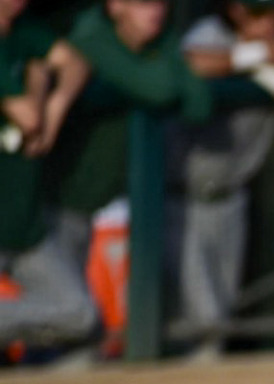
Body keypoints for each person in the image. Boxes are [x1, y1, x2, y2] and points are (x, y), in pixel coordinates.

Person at [42, 0, 209, 360]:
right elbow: (162, 89)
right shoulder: (91, 36)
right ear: (116, 6)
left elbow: (199, 101)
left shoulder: (160, 40)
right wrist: (168, 70)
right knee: (67, 312)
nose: (157, 11)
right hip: (66, 196)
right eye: (143, 3)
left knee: (106, 317)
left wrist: (165, 68)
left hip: (124, 199)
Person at [175, 0, 274, 361]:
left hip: (230, 197)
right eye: (261, 13)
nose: (272, 23)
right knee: (202, 320)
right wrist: (253, 57)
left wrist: (271, 75)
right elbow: (183, 64)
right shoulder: (208, 34)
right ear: (236, 11)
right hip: (178, 199)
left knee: (217, 323)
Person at [0, 0, 95, 362]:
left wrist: (55, 108)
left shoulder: (23, 32)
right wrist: (39, 76)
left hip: (24, 229)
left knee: (79, 315)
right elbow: (26, 117)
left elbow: (76, 62)